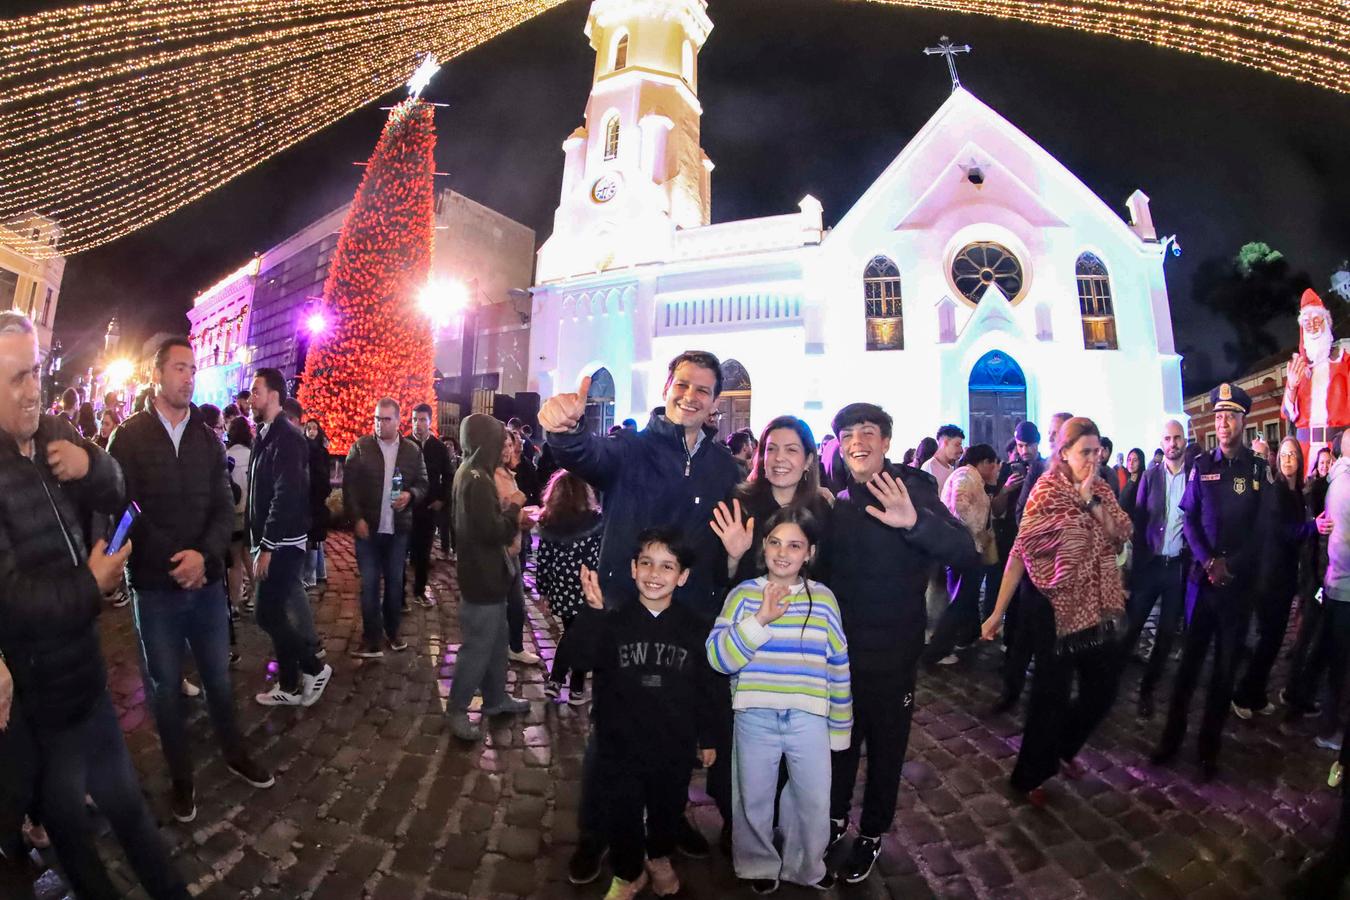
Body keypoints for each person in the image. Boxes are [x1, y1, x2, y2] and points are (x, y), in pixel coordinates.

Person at [0, 311, 190, 900]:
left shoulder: (56, 430)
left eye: (35, 371)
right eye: (14, 379)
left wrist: (93, 466)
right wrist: (92, 582)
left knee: (129, 808)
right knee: (75, 840)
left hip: (86, 676)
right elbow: (11, 600)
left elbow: (116, 486)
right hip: (39, 701)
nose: (33, 389)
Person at [539, 351, 741, 879]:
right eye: (682, 384)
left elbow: (727, 539)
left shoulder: (723, 467)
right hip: (625, 613)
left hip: (688, 620)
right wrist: (563, 429)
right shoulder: (632, 448)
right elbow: (585, 454)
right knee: (612, 735)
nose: (690, 396)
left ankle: (668, 824)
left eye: (702, 389)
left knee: (677, 730)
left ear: (715, 401)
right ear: (667, 386)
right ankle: (595, 832)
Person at [106, 337, 273, 824]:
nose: (188, 376)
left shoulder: (206, 438)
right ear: (157, 374)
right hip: (155, 587)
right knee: (163, 686)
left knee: (219, 678)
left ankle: (234, 752)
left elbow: (223, 507)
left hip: (205, 587)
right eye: (179, 367)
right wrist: (173, 558)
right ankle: (181, 778)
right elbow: (125, 509)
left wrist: (203, 555)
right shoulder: (130, 437)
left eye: (192, 368)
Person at [825, 402, 977, 883]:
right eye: (849, 434)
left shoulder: (910, 489)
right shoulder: (840, 502)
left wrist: (914, 522)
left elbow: (964, 552)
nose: (857, 442)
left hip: (893, 654)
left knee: (887, 749)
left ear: (886, 441)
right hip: (842, 654)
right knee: (840, 744)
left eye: (868, 432)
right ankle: (833, 818)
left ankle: (872, 832)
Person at [981, 417, 1132, 805]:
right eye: (1085, 452)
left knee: (1104, 687)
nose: (1093, 459)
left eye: (1097, 451)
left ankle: (1063, 747)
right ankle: (1030, 774)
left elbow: (1120, 533)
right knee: (1051, 695)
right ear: (1063, 453)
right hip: (1052, 609)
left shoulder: (1100, 487)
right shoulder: (1045, 492)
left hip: (1098, 604)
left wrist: (1090, 502)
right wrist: (997, 612)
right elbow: (1021, 551)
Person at [566, 531, 718, 900]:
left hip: (674, 743)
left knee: (668, 808)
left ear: (682, 577)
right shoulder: (613, 621)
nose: (655, 573)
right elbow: (581, 658)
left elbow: (708, 687)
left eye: (667, 566)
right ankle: (628, 871)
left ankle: (659, 856)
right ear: (633, 569)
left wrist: (709, 736)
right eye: (647, 563)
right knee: (623, 812)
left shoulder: (695, 627)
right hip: (620, 743)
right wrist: (592, 612)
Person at [707, 507, 850, 893]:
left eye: (795, 545)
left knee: (814, 798)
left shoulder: (824, 599)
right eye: (775, 542)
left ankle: (806, 865)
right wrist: (760, 621)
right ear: (763, 548)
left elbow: (838, 663)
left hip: (809, 719)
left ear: (810, 553)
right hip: (755, 717)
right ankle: (757, 865)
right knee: (752, 796)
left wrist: (840, 727)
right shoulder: (743, 596)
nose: (783, 552)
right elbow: (718, 658)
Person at [1152, 383, 1269, 780]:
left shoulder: (1257, 471)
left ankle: (1208, 749)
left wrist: (1230, 564)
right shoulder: (1201, 466)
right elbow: (1188, 520)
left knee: (1223, 672)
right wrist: (1207, 561)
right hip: (1202, 586)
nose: (1222, 423)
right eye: (1218, 417)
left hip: (1236, 589)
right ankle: (1171, 739)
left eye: (1230, 417)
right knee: (1188, 667)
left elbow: (1262, 531)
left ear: (1243, 421)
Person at [247, 368, 331, 707]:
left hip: (282, 544)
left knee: (266, 614)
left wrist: (267, 544)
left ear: (274, 395)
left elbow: (286, 494)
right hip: (271, 540)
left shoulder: (288, 436)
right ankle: (291, 684)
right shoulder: (266, 433)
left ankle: (314, 667)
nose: (251, 397)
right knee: (275, 612)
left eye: (256, 391)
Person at [447, 413, 532, 742]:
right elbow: (491, 531)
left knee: (497, 643)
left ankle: (496, 699)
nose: (504, 447)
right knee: (478, 647)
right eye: (499, 440)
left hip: (487, 575)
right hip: (481, 576)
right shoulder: (478, 479)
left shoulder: (471, 472)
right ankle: (457, 708)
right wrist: (513, 508)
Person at [992, 411, 1074, 716]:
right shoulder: (1037, 469)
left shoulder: (1086, 472)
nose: (1054, 437)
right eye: (1051, 432)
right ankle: (1011, 691)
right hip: (1031, 568)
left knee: (1053, 645)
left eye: (1059, 432)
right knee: (1022, 637)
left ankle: (1048, 702)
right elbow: (1020, 514)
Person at [1233, 436, 1315, 721]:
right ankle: (1243, 693)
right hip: (1270, 577)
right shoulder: (1277, 491)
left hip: (1285, 575)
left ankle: (1256, 694)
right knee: (1268, 639)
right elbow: (1284, 532)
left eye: (1293, 454)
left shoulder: (1295, 492)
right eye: (1284, 454)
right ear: (1277, 459)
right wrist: (1313, 527)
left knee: (1275, 640)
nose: (1288, 459)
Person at [343, 398, 427, 658]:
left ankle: (393, 631)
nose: (380, 424)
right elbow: (350, 488)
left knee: (394, 583)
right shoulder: (361, 447)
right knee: (369, 584)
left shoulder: (412, 451)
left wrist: (411, 495)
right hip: (368, 529)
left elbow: (423, 483)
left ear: (398, 421)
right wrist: (356, 518)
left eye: (386, 419)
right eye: (377, 418)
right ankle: (371, 637)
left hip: (398, 530)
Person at [711, 415, 832, 590]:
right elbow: (718, 579)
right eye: (772, 449)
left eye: (791, 450)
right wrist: (733, 558)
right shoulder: (739, 504)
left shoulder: (820, 509)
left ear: (808, 460)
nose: (779, 458)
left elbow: (826, 573)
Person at [1122, 420, 1189, 719]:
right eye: (1167, 438)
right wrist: (1134, 570)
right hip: (1150, 567)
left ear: (1185, 440)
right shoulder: (1150, 477)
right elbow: (1137, 521)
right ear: (1161, 443)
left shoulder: (1196, 477)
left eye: (1177, 438)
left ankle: (1148, 689)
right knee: (1132, 625)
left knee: (1165, 634)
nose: (1172, 443)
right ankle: (1112, 681)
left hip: (1176, 568)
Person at [924, 443, 1001, 667]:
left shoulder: (969, 476)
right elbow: (959, 507)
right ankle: (936, 651)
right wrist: (976, 532)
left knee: (965, 598)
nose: (996, 469)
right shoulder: (966, 477)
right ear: (984, 463)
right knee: (960, 600)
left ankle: (966, 638)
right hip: (963, 548)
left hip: (965, 546)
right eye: (993, 464)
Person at [537, 469, 604, 706]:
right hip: (586, 586)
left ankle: (560, 683)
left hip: (561, 586)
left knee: (574, 633)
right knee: (580, 635)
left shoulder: (549, 520)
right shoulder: (595, 520)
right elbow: (599, 555)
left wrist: (543, 589)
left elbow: (543, 558)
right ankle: (570, 685)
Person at [1283, 288, 1350, 475]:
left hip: (1337, 451)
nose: (1311, 326)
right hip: (1304, 451)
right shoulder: (1298, 368)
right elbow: (1288, 414)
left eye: (1316, 320)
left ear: (1326, 324)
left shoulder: (1345, 364)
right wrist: (1291, 387)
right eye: (1306, 322)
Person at [499, 429, 541, 665]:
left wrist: (524, 515)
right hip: (501, 551)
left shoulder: (508, 472)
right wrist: (520, 514)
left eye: (510, 445)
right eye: (503, 445)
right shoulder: (493, 476)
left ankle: (514, 646)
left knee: (517, 605)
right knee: (504, 606)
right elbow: (500, 514)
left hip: (513, 548)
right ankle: (502, 650)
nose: (508, 450)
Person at [408, 403, 449, 607]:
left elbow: (448, 476)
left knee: (424, 552)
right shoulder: (405, 444)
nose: (418, 424)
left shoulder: (438, 447)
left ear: (430, 421)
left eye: (422, 419)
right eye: (415, 419)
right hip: (407, 507)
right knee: (403, 550)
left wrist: (441, 499)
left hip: (429, 507)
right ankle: (399, 596)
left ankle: (419, 590)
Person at [225, 415, 252, 643]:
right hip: (251, 514)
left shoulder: (227, 456)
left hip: (234, 516)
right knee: (250, 556)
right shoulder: (253, 456)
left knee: (234, 561)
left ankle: (234, 603)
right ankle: (257, 596)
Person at [302, 419, 330, 589]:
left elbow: (322, 476)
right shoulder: (311, 450)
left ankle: (310, 575)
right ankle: (319, 572)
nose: (312, 431)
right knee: (316, 537)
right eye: (309, 428)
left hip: (314, 498)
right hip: (315, 497)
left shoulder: (318, 451)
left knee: (313, 538)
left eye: (315, 429)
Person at [920, 424, 964, 493]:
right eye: (957, 445)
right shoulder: (930, 466)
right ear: (945, 442)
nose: (961, 449)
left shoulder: (951, 469)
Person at [1119, 448, 1146, 519]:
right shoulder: (1128, 480)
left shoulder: (1144, 482)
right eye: (1129, 460)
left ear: (1141, 462)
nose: (1131, 463)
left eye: (1135, 460)